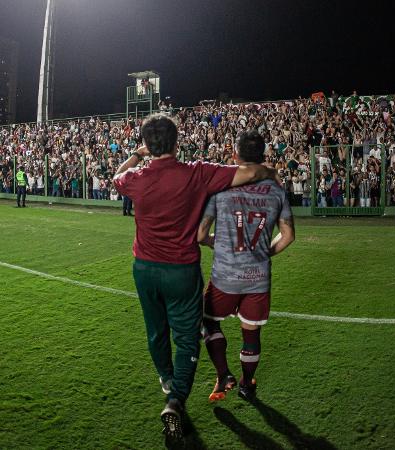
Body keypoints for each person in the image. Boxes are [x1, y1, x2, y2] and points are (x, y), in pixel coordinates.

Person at [113, 115, 278, 445]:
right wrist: (271, 172)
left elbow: (116, 176)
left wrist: (137, 154)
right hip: (182, 270)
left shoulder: (135, 176)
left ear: (149, 143)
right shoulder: (197, 173)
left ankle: (166, 381)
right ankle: (175, 401)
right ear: (176, 143)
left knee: (156, 329)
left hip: (144, 268)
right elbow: (251, 172)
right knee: (187, 339)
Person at [197, 130, 295, 402]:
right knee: (251, 333)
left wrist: (216, 243)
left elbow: (201, 234)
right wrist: (263, 252)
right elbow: (288, 236)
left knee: (208, 320)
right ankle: (246, 384)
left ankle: (223, 374)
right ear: (263, 157)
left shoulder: (221, 188)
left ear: (234, 156)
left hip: (225, 276)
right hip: (258, 277)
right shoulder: (276, 189)